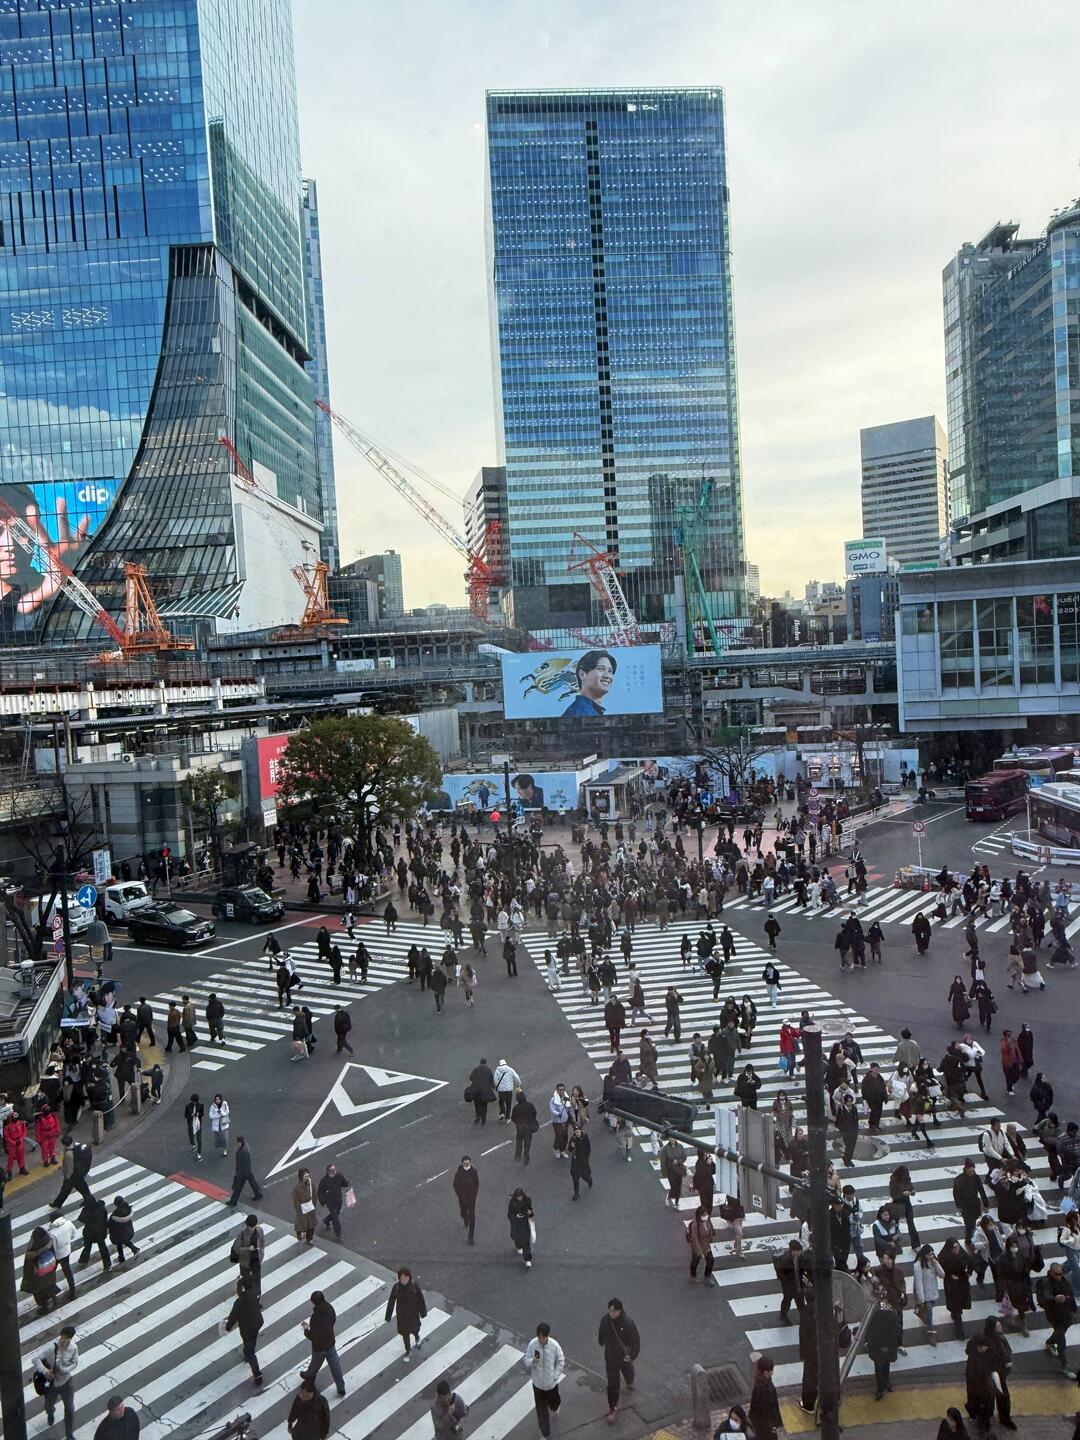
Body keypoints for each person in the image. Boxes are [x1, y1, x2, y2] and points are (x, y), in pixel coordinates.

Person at [598, 1298, 639, 1424]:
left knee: (627, 1370)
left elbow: (635, 1341)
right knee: (612, 1383)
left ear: (620, 1310)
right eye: (610, 1310)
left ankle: (630, 1381)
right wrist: (601, 1341)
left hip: (623, 1356)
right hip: (610, 1357)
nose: (612, 1313)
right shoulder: (605, 1320)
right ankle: (613, 1408)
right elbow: (601, 1333)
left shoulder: (628, 1323)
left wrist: (631, 1356)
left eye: (614, 1311)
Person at [35, 1325, 79, 1440]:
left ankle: (69, 1434)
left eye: (67, 1339)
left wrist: (66, 1370)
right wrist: (45, 1371)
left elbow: (75, 1362)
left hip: (67, 1382)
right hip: (52, 1384)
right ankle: (50, 1412)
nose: (64, 1341)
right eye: (62, 1337)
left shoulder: (73, 1348)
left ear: (70, 1339)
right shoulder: (52, 1347)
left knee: (69, 1409)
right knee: (48, 1405)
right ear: (61, 1336)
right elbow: (35, 1359)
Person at [299, 1290, 347, 1397]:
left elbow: (314, 1336)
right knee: (335, 1366)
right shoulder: (330, 1309)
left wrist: (306, 1330)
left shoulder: (315, 1318)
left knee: (315, 1364)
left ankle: (309, 1376)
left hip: (319, 1347)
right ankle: (341, 1388)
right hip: (330, 1343)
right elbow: (333, 1320)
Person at [523, 1323, 565, 1439]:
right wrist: (532, 1361)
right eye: (539, 1337)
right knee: (541, 1412)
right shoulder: (533, 1344)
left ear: (548, 1335)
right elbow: (526, 1360)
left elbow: (561, 1361)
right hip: (538, 1386)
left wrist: (555, 1376)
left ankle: (555, 1408)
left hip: (551, 1385)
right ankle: (544, 1433)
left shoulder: (554, 1345)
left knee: (554, 1405)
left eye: (543, 1337)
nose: (541, 1339)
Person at [1037, 1262, 1077, 1375]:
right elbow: (1045, 1297)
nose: (1059, 1276)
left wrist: (1074, 1309)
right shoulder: (1045, 1283)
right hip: (1055, 1315)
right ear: (1051, 1272)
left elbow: (1070, 1294)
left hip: (1066, 1314)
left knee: (1061, 1331)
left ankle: (1049, 1342)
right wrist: (1055, 1299)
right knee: (1061, 1339)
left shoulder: (1064, 1280)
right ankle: (1065, 1366)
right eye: (1057, 1274)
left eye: (1061, 1273)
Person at [384, 1265, 427, 1361]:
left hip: (413, 1314)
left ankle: (417, 1337)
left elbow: (421, 1299)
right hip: (402, 1316)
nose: (404, 1280)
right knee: (405, 1334)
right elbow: (391, 1301)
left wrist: (423, 1312)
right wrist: (388, 1316)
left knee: (415, 1329)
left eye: (406, 1277)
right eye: (402, 1278)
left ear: (409, 1277)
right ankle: (408, 1350)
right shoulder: (396, 1287)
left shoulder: (414, 1286)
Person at [563, 649, 616, 717]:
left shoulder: (589, 710)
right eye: (601, 669)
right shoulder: (579, 712)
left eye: (610, 671)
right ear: (582, 674)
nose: (607, 676)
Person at [867, 1299, 901, 1401]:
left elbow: (869, 1329)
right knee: (885, 1364)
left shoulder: (873, 1313)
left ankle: (881, 1388)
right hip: (886, 1342)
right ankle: (885, 1384)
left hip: (879, 1343)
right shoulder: (891, 1313)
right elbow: (897, 1328)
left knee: (880, 1365)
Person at [21, 1224, 60, 1314]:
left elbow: (29, 1263)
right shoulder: (48, 1242)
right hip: (49, 1269)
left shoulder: (34, 1248)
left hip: (38, 1274)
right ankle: (54, 1298)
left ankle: (44, 1308)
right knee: (49, 1285)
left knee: (39, 1292)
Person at [49, 1135, 93, 1210]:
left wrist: (67, 1177)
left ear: (64, 1144)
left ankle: (57, 1204)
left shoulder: (69, 1154)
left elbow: (70, 1168)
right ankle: (89, 1201)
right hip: (78, 1173)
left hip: (72, 1176)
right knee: (83, 1188)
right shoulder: (75, 1147)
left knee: (65, 1190)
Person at [913, 1243, 944, 1343]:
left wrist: (936, 1263)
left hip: (933, 1292)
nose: (932, 1256)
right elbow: (918, 1283)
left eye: (932, 1253)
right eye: (930, 1254)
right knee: (929, 1312)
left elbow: (942, 1275)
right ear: (925, 1255)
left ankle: (925, 1317)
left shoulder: (933, 1263)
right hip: (925, 1294)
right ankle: (930, 1332)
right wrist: (921, 1299)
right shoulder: (918, 1266)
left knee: (929, 1311)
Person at [45, 1212, 78, 1301]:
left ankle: (52, 1294)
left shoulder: (51, 1233)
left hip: (56, 1256)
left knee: (51, 1274)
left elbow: (53, 1248)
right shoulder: (68, 1223)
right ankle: (73, 1291)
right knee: (67, 1271)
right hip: (66, 1251)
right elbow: (73, 1235)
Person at [748, 1356, 782, 1440]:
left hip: (759, 1422)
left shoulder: (760, 1381)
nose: (772, 1372)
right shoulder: (765, 1388)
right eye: (771, 1370)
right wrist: (773, 1424)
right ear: (766, 1372)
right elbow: (769, 1408)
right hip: (765, 1424)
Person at [317, 1163, 351, 1240]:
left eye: (335, 1169)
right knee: (335, 1218)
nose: (334, 1171)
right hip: (330, 1202)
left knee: (336, 1213)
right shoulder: (324, 1181)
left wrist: (348, 1184)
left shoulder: (339, 1176)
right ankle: (338, 1234)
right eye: (332, 1170)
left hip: (338, 1200)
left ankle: (326, 1220)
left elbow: (344, 1183)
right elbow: (320, 1192)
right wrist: (324, 1200)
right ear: (328, 1172)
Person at [78, 1194, 111, 1271]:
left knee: (87, 1247)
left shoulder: (86, 1210)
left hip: (88, 1232)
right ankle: (107, 1265)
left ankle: (83, 1260)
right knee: (103, 1249)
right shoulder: (101, 1208)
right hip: (100, 1232)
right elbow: (105, 1219)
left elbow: (81, 1219)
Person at [227, 1137, 264, 1206]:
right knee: (252, 1183)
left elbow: (243, 1163)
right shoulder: (244, 1147)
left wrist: (239, 1173)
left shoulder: (243, 1151)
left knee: (238, 1188)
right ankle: (258, 1194)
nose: (236, 1144)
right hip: (247, 1171)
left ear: (240, 1142)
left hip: (243, 1172)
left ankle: (233, 1202)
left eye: (237, 1142)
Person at [686, 1204, 716, 1284]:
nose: (705, 1216)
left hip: (706, 1245)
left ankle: (707, 1277)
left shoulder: (708, 1220)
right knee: (695, 1261)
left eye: (706, 1214)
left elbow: (710, 1229)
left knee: (710, 1260)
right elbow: (694, 1238)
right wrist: (698, 1250)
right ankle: (693, 1276)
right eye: (704, 1215)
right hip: (697, 1245)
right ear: (699, 1215)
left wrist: (711, 1238)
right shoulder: (695, 1224)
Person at [453, 1156, 478, 1244]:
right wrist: (459, 1194)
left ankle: (470, 1237)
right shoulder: (459, 1173)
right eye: (465, 1164)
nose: (467, 1165)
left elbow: (476, 1183)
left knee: (472, 1216)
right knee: (463, 1212)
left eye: (468, 1163)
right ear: (462, 1164)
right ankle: (465, 1220)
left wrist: (474, 1195)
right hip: (462, 1198)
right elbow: (455, 1184)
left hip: (471, 1199)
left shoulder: (473, 1172)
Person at [508, 1186, 533, 1267]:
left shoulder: (527, 1200)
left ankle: (528, 1259)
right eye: (518, 1197)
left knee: (526, 1240)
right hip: (516, 1223)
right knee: (516, 1237)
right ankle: (518, 1246)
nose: (519, 1198)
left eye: (520, 1197)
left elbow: (531, 1211)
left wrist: (530, 1213)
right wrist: (516, 1217)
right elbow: (509, 1214)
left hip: (524, 1223)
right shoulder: (512, 1202)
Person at [108, 1197, 138, 1264]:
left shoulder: (115, 1215)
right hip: (129, 1231)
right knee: (124, 1239)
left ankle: (121, 1258)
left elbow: (110, 1224)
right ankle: (134, 1249)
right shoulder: (128, 1209)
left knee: (119, 1242)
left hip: (120, 1233)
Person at [511, 1090, 539, 1165]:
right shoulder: (530, 1105)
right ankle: (526, 1157)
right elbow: (534, 1113)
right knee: (527, 1143)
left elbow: (513, 1118)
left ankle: (518, 1156)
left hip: (520, 1128)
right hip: (529, 1127)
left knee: (519, 1142)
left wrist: (518, 1122)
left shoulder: (516, 1107)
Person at [467, 1058, 496, 1126]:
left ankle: (478, 1117)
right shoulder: (488, 1070)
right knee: (484, 1105)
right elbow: (491, 1079)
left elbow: (471, 1078)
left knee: (477, 1104)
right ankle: (483, 1120)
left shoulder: (476, 1069)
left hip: (476, 1089)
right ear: (485, 1063)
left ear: (480, 1062)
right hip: (485, 1090)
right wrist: (493, 1087)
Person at [568, 1125, 592, 1200]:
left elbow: (588, 1148)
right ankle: (576, 1193)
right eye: (576, 1132)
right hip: (575, 1161)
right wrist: (571, 1146)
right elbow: (569, 1149)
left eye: (578, 1131)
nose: (577, 1133)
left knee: (585, 1175)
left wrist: (586, 1157)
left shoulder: (585, 1137)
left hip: (583, 1161)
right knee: (575, 1177)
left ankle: (589, 1180)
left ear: (581, 1131)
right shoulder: (573, 1139)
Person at [184, 1093, 204, 1161]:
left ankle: (199, 1153)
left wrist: (198, 1114)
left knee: (199, 1138)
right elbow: (186, 1116)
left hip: (198, 1123)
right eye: (193, 1101)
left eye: (195, 1101)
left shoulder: (201, 1106)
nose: (194, 1103)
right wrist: (191, 1115)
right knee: (191, 1136)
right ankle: (193, 1144)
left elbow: (202, 1114)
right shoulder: (188, 1106)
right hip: (191, 1123)